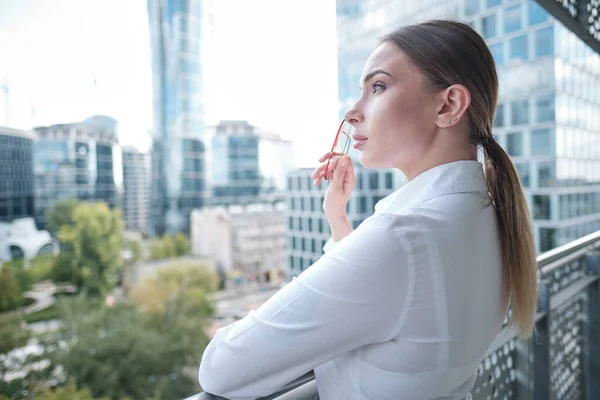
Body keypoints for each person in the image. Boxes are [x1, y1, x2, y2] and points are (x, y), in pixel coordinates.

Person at [198, 19, 538, 400]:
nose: (351, 114)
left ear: (448, 105)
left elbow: (220, 367)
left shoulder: (404, 237)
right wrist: (337, 219)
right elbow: (401, 305)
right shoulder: (485, 219)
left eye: (378, 86)